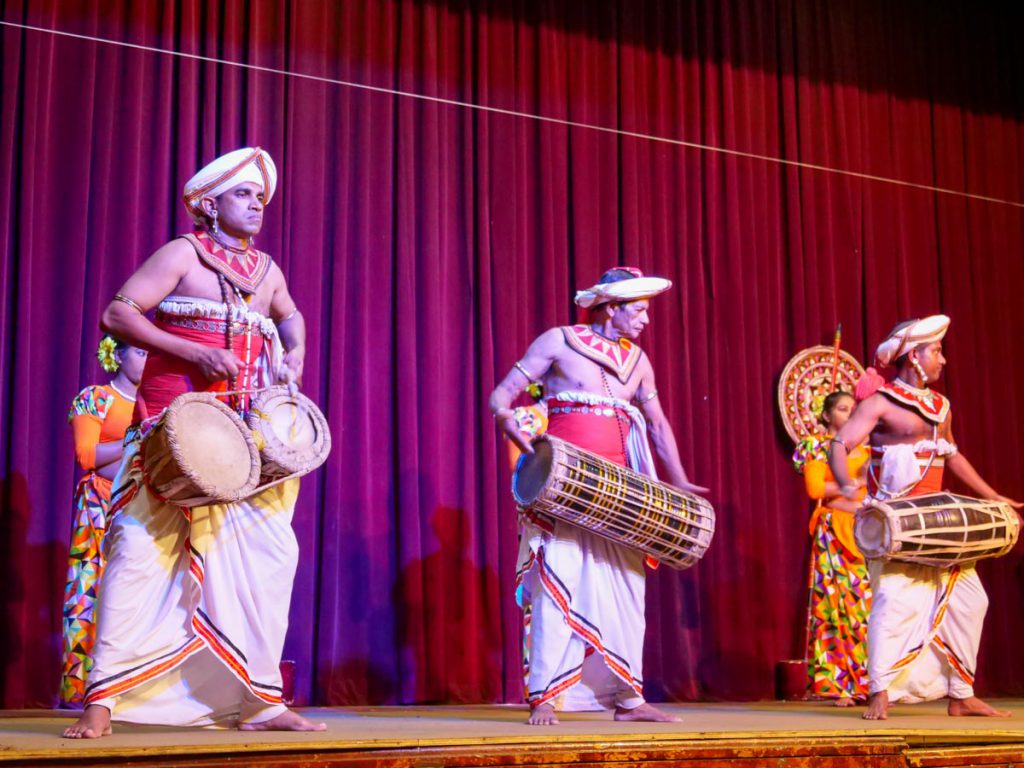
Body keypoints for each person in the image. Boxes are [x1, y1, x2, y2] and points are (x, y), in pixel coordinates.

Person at [63, 147, 324, 738]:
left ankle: (259, 701)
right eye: (242, 196)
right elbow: (118, 312)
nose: (256, 206)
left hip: (244, 444)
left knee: (270, 560)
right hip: (171, 430)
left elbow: (291, 316)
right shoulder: (182, 254)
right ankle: (102, 700)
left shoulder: (268, 270)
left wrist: (297, 352)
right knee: (138, 557)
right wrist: (192, 350)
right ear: (209, 204)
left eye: (260, 198)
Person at [489, 267, 707, 726]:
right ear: (612, 308)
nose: (647, 320)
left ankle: (628, 699)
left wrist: (679, 478)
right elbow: (501, 397)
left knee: (628, 593)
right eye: (640, 310)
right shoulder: (558, 341)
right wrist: (507, 418)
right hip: (564, 490)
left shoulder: (639, 361)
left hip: (621, 494)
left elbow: (658, 425)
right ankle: (544, 696)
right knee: (556, 584)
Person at [828, 315, 1021, 720]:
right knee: (893, 602)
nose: (943, 360)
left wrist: (992, 495)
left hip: (939, 528)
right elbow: (839, 445)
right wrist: (847, 485)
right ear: (914, 356)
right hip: (896, 527)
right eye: (935, 351)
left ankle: (961, 693)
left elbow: (952, 455)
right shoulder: (880, 403)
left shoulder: (940, 406)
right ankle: (879, 692)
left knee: (971, 601)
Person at [61, 337, 147, 705]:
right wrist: (135, 442)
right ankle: (80, 692)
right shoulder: (96, 397)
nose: (147, 360)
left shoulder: (155, 404)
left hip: (141, 506)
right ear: (118, 354)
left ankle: (129, 689)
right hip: (98, 503)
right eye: (141, 352)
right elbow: (86, 455)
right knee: (88, 590)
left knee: (134, 596)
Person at [792, 391, 869, 706]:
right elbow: (814, 488)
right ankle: (840, 685)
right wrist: (853, 485)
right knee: (834, 607)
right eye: (842, 408)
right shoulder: (815, 446)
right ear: (826, 416)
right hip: (831, 533)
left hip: (865, 531)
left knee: (865, 608)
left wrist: (845, 485)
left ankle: (869, 682)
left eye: (853, 409)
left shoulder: (866, 449)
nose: (849, 413)